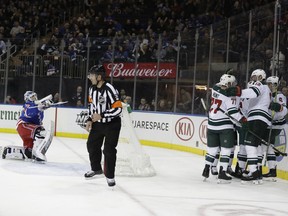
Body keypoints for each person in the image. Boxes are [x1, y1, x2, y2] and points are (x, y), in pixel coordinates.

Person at [84, 64, 122, 187]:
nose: (90, 77)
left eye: (92, 75)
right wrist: (90, 118)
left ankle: (110, 176)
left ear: (99, 77)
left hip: (112, 125)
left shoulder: (110, 89)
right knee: (91, 145)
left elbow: (118, 109)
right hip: (98, 124)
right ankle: (96, 169)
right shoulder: (91, 89)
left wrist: (102, 115)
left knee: (109, 150)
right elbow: (91, 105)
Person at [202, 74, 244, 183]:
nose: (234, 86)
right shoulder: (229, 97)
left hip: (211, 125)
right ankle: (222, 172)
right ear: (229, 84)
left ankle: (206, 169)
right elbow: (233, 113)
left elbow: (221, 88)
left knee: (212, 150)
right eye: (232, 84)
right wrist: (243, 120)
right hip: (224, 126)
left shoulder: (215, 88)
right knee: (226, 150)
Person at [2, 91, 53, 162]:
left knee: (29, 152)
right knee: (40, 131)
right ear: (28, 98)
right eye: (32, 97)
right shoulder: (27, 105)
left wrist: (42, 108)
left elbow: (38, 121)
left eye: (35, 96)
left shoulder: (37, 107)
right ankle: (38, 153)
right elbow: (29, 113)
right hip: (23, 125)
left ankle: (30, 152)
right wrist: (38, 108)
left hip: (28, 127)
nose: (35, 98)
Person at [263, 76, 287, 179]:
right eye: (267, 84)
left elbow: (283, 111)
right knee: (268, 147)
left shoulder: (280, 96)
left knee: (265, 146)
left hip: (276, 125)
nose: (268, 86)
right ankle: (272, 170)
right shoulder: (267, 94)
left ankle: (260, 169)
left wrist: (276, 107)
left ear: (275, 85)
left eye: (270, 84)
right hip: (270, 124)